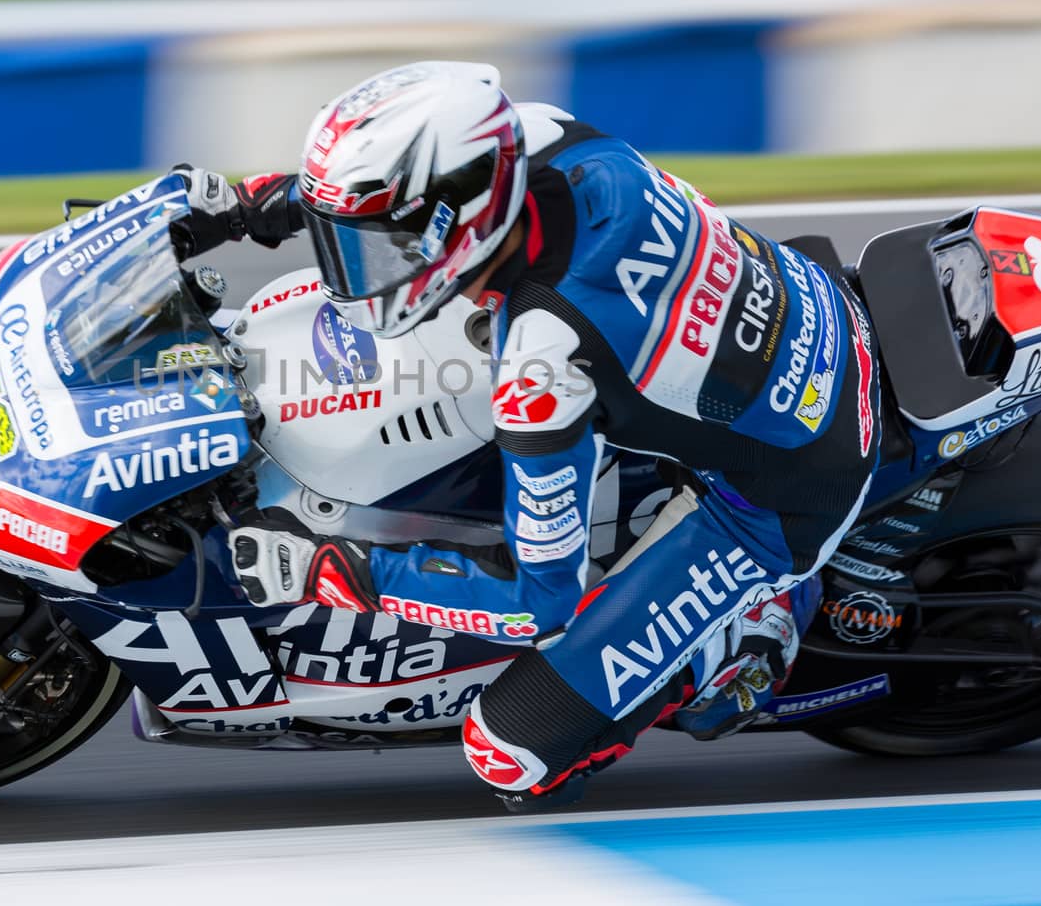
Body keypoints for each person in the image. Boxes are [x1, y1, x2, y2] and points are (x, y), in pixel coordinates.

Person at [169, 61, 881, 809]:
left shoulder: (542, 366)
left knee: (508, 749)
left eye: (370, 247)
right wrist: (250, 208)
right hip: (800, 307)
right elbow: (389, 198)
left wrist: (347, 574)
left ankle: (752, 631)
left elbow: (541, 605)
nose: (353, 269)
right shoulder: (540, 136)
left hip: (782, 490)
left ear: (453, 223)